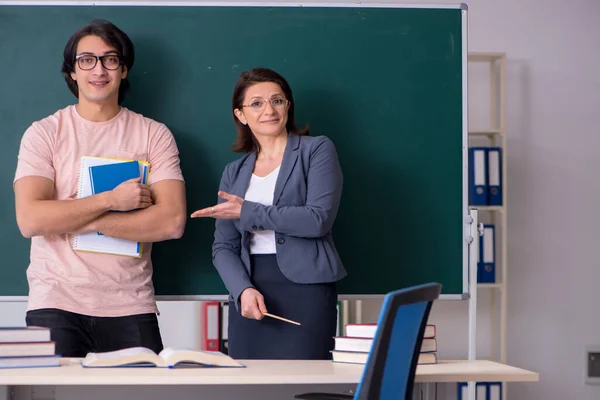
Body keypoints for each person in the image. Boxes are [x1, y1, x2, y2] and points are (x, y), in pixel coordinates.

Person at [13, 20, 186, 357]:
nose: (99, 70)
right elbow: (31, 219)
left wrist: (81, 219)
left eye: (110, 59)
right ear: (72, 72)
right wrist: (111, 200)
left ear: (123, 70)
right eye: (87, 60)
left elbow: (171, 222)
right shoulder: (44, 133)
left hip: (131, 303)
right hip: (55, 301)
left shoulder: (153, 134)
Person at [191, 68, 346, 359]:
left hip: (306, 289)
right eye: (257, 103)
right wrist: (242, 290)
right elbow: (224, 246)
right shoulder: (233, 172)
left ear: (288, 106)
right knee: (251, 386)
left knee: (304, 384)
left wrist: (247, 211)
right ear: (241, 114)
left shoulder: (317, 150)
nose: (269, 110)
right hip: (250, 289)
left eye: (278, 100)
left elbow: (317, 220)